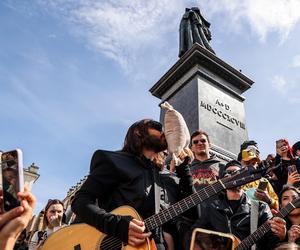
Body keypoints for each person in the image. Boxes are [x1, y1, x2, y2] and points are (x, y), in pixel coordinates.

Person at [71, 119, 194, 250]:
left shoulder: (163, 178)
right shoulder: (113, 160)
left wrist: (184, 171)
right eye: (158, 127)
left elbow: (192, 215)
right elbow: (80, 201)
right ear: (138, 132)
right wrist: (117, 226)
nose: (163, 132)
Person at [187, 160, 286, 250]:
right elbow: (192, 237)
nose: (234, 176)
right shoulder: (212, 208)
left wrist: (280, 236)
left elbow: (269, 243)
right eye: (229, 173)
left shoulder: (261, 207)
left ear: (246, 179)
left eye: (237, 173)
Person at [239, 141, 279, 210]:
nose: (250, 166)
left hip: (260, 217)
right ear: (240, 162)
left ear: (257, 164)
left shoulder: (263, 181)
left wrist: (268, 200)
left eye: (253, 163)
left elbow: (277, 207)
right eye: (247, 163)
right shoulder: (233, 179)